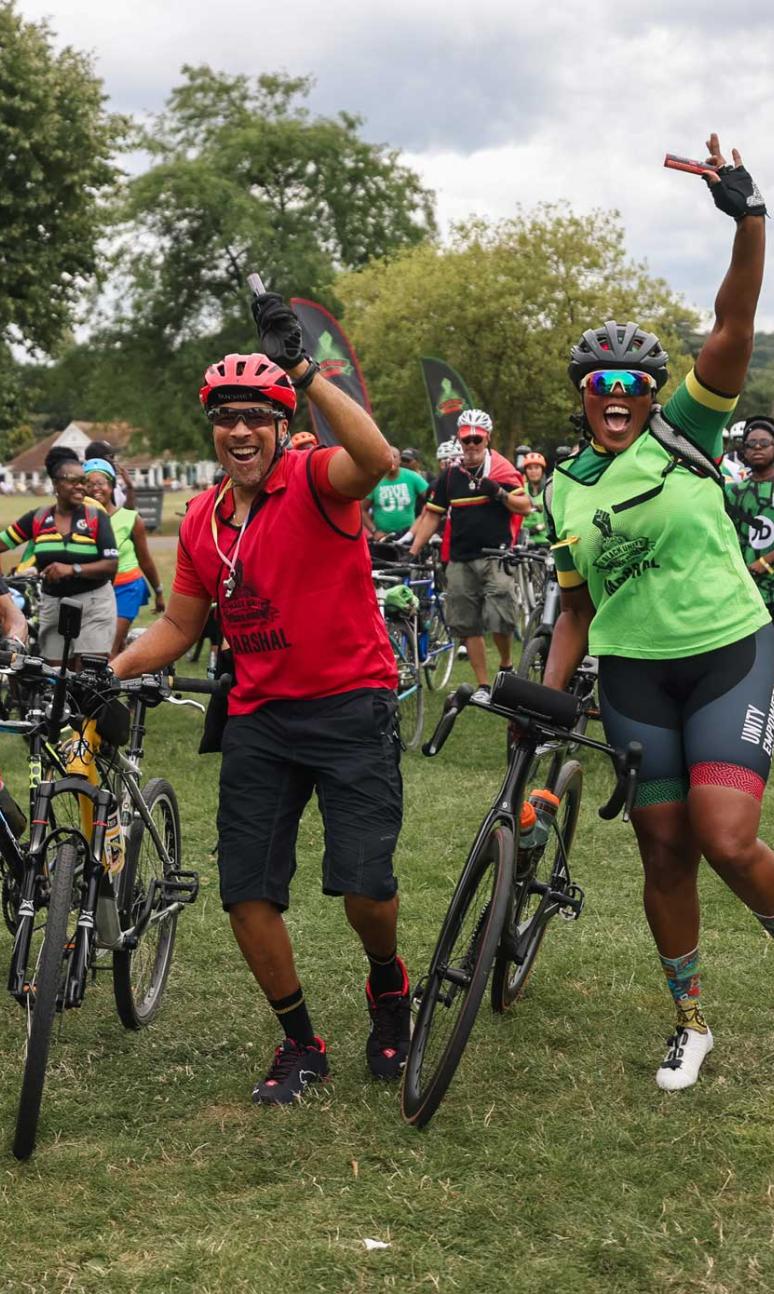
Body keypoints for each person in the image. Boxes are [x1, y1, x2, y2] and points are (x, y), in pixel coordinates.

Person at [111, 296, 409, 1107]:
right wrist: (119, 667)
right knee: (247, 893)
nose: (240, 431)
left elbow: (377, 457)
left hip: (350, 706)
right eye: (225, 419)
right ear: (211, 429)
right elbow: (181, 622)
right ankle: (301, 1042)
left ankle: (388, 986)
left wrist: (308, 371)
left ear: (281, 424)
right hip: (259, 717)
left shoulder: (317, 478)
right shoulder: (204, 519)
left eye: (256, 417)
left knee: (364, 890)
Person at [543, 133, 771, 1092]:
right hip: (632, 674)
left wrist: (749, 222)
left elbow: (730, 321)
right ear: (584, 400)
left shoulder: (687, 428)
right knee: (664, 849)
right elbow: (576, 606)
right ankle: (689, 1018)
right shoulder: (561, 489)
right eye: (603, 388)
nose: (621, 399)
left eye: (634, 385)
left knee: (725, 838)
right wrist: (548, 699)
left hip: (726, 650)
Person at [409, 408, 531, 701]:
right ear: (459, 441)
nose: (472, 445)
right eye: (467, 440)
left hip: (495, 555)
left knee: (500, 617)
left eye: (477, 439)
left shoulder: (501, 469)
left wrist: (499, 494)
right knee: (467, 623)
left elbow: (524, 505)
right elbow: (431, 517)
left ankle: (505, 664)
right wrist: (412, 551)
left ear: (487, 439)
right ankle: (484, 685)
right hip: (460, 558)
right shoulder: (451, 477)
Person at [0, 447, 117, 664]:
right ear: (55, 484)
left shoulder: (96, 517)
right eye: (73, 481)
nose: (81, 486)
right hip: (53, 603)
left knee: (88, 676)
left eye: (83, 481)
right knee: (54, 675)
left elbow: (111, 565)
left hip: (94, 602)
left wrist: (73, 569)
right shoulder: (37, 518)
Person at [82, 457, 166, 656]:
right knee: (109, 647)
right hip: (94, 591)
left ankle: (106, 684)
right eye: (89, 484)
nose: (96, 489)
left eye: (101, 483)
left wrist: (159, 591)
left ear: (111, 486)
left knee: (107, 648)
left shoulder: (130, 519)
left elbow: (145, 560)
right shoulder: (78, 520)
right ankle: (124, 677)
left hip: (127, 588)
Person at [725, 417, 774, 619]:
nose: (757, 448)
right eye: (751, 444)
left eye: (764, 443)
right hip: (746, 594)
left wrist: (764, 563)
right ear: (743, 451)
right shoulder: (733, 492)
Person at [361, 446, 428, 539]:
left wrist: (420, 525)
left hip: (408, 534)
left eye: (394, 457)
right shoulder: (375, 480)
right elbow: (362, 510)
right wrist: (374, 531)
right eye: (387, 458)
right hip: (383, 536)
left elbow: (433, 500)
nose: (391, 460)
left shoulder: (413, 477)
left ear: (400, 460)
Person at [84, 439, 136, 509]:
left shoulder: (114, 485)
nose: (113, 461)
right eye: (111, 456)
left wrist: (129, 486)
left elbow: (127, 513)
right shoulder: (82, 487)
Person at [521, 451, 549, 545]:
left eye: (537, 468)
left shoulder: (549, 490)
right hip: (524, 540)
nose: (533, 471)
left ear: (542, 470)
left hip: (545, 541)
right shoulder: (521, 489)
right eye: (529, 468)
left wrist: (540, 527)